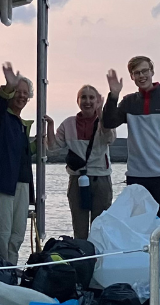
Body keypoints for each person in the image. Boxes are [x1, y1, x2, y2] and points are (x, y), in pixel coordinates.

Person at [102, 55, 160, 224]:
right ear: (132, 77)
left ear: (152, 71)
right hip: (136, 177)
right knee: (137, 225)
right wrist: (113, 95)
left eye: (144, 71)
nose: (141, 76)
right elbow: (108, 122)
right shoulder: (129, 102)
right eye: (136, 73)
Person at [0, 62, 35, 265]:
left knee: (16, 237)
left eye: (25, 93)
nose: (21, 96)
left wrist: (41, 142)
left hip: (21, 186)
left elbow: (22, 153)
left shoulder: (20, 124)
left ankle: (10, 275)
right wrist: (7, 88)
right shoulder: (1, 117)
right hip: (0, 185)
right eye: (17, 91)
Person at [45, 85, 116, 239]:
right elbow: (53, 147)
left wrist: (101, 114)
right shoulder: (68, 123)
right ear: (78, 101)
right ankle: (81, 258)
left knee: (100, 228)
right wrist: (50, 125)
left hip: (101, 179)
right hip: (77, 179)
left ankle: (99, 260)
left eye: (92, 97)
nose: (87, 101)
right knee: (79, 228)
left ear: (98, 101)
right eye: (83, 97)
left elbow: (109, 138)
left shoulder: (105, 122)